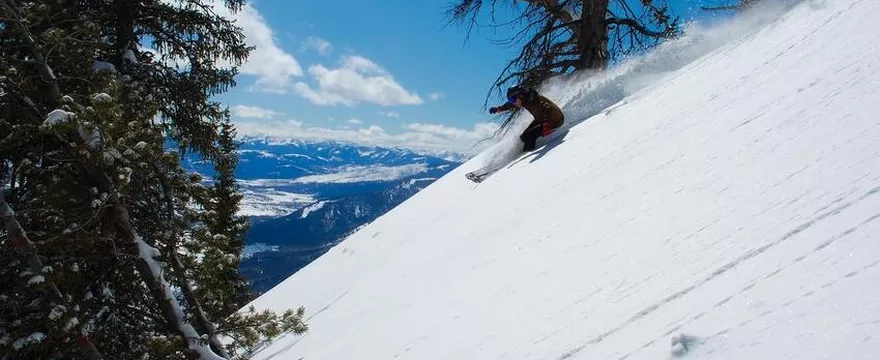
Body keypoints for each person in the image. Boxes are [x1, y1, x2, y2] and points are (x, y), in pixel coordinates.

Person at [489, 85, 565, 152]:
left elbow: (548, 108)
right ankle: (528, 150)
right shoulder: (523, 99)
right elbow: (509, 105)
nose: (512, 103)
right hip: (541, 119)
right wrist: (499, 109)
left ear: (519, 95)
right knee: (523, 137)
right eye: (510, 100)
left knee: (530, 135)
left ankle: (526, 156)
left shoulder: (532, 99)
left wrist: (546, 124)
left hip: (555, 120)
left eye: (512, 100)